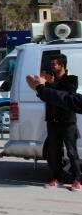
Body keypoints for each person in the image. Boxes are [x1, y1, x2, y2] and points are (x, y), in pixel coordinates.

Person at [37, 54, 80, 190]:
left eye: (55, 64)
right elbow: (44, 96)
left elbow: (65, 95)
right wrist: (46, 84)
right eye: (51, 64)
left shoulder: (71, 80)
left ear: (62, 65)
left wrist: (49, 85)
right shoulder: (49, 82)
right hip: (52, 121)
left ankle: (77, 179)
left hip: (67, 122)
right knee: (54, 151)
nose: (52, 66)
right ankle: (56, 177)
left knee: (72, 152)